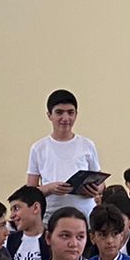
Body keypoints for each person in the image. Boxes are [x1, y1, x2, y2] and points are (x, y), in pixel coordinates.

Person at [27, 89, 103, 218]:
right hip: (51, 216)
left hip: (85, 215)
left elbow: (100, 183)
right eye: (59, 112)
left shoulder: (87, 145)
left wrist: (94, 190)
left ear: (76, 115)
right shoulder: (38, 148)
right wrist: (49, 188)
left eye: (70, 112)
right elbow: (30, 191)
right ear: (49, 115)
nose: (65, 118)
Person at [6, 186, 48, 260]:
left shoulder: (52, 241)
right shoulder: (8, 241)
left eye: (16, 208)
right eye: (11, 210)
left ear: (35, 208)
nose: (11, 216)